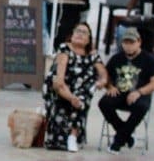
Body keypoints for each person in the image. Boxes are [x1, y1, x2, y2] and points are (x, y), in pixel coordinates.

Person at [43, 22, 107, 152]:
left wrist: (102, 81)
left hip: (82, 89)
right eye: (78, 31)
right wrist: (71, 97)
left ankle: (73, 135)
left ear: (88, 39)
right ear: (72, 35)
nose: (80, 34)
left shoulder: (92, 54)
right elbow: (59, 80)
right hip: (61, 87)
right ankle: (62, 135)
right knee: (57, 141)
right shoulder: (64, 49)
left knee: (82, 98)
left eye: (84, 32)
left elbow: (103, 73)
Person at [98, 28, 154, 151]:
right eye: (125, 43)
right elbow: (105, 76)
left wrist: (139, 92)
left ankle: (118, 141)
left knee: (141, 107)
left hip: (140, 94)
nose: (128, 46)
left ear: (139, 42)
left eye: (131, 43)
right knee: (104, 103)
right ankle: (126, 135)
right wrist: (109, 86)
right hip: (119, 92)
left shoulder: (149, 59)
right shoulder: (116, 58)